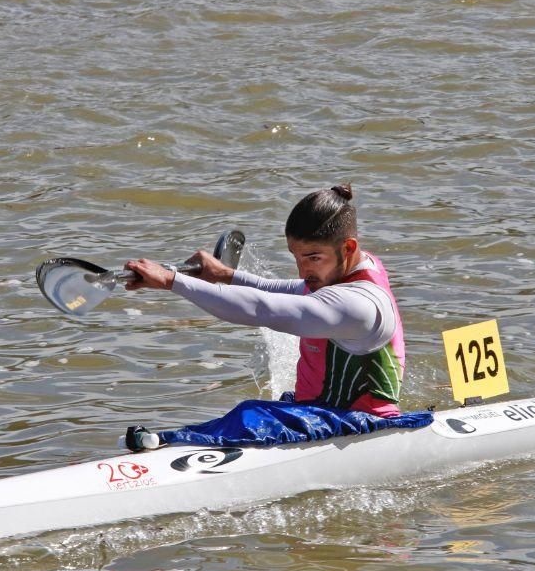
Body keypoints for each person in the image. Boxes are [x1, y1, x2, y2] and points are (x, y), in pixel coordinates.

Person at [122, 184, 430, 450]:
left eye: (313, 258)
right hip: (320, 413)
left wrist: (170, 281)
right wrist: (225, 275)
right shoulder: (356, 268)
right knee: (259, 412)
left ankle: (166, 442)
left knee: (250, 415)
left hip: (359, 426)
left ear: (348, 247)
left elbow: (262, 309)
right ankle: (172, 441)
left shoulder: (358, 305)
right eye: (296, 257)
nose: (303, 269)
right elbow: (292, 291)